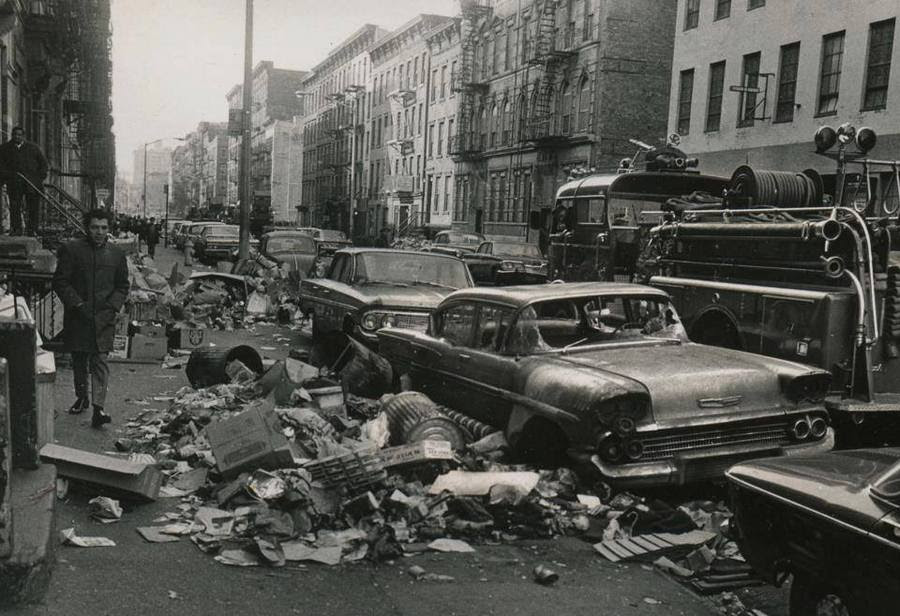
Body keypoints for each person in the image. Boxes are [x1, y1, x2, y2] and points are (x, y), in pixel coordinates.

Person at [52, 208, 130, 428]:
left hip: (104, 318)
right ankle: (82, 396)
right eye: (95, 227)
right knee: (79, 358)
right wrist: (77, 303)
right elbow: (60, 281)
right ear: (87, 227)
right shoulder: (72, 250)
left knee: (100, 361)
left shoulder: (116, 254)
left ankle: (99, 408)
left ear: (109, 229)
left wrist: (113, 307)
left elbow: (123, 285)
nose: (99, 232)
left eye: (104, 228)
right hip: (79, 316)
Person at [0, 126, 48, 235]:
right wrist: (7, 176)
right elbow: (1, 165)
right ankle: (16, 229)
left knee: (33, 207)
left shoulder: (33, 148)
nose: (17, 137)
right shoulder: (4, 149)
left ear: (23, 136)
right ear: (12, 135)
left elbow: (43, 164)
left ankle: (32, 229)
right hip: (14, 183)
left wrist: (39, 177)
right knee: (15, 207)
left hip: (31, 183)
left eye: (19, 135)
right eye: (15, 134)